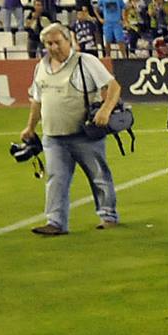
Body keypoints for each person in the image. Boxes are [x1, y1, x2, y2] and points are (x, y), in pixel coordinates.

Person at [20, 23, 122, 236]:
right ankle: (56, 222)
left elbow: (113, 86)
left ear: (69, 41)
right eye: (49, 43)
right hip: (53, 135)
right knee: (55, 178)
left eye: (58, 42)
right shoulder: (41, 66)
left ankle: (108, 215)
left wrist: (105, 109)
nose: (53, 47)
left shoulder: (86, 62)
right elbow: (37, 100)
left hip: (84, 133)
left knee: (99, 175)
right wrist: (30, 127)